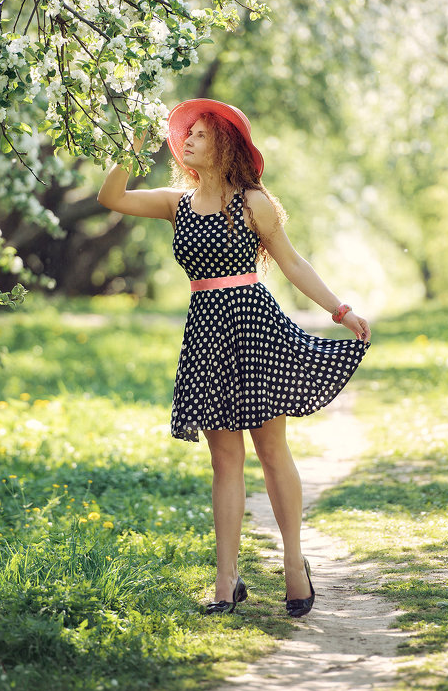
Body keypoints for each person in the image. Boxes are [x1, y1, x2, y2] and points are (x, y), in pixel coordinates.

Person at [97, 99, 370, 618]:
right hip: (207, 335)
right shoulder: (176, 204)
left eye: (201, 134)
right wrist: (130, 149)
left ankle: (294, 563)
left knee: (271, 451)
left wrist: (340, 309)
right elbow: (111, 197)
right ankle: (226, 581)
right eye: (187, 134)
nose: (189, 140)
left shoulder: (253, 203)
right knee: (225, 461)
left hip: (256, 328)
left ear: (224, 143)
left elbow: (290, 261)